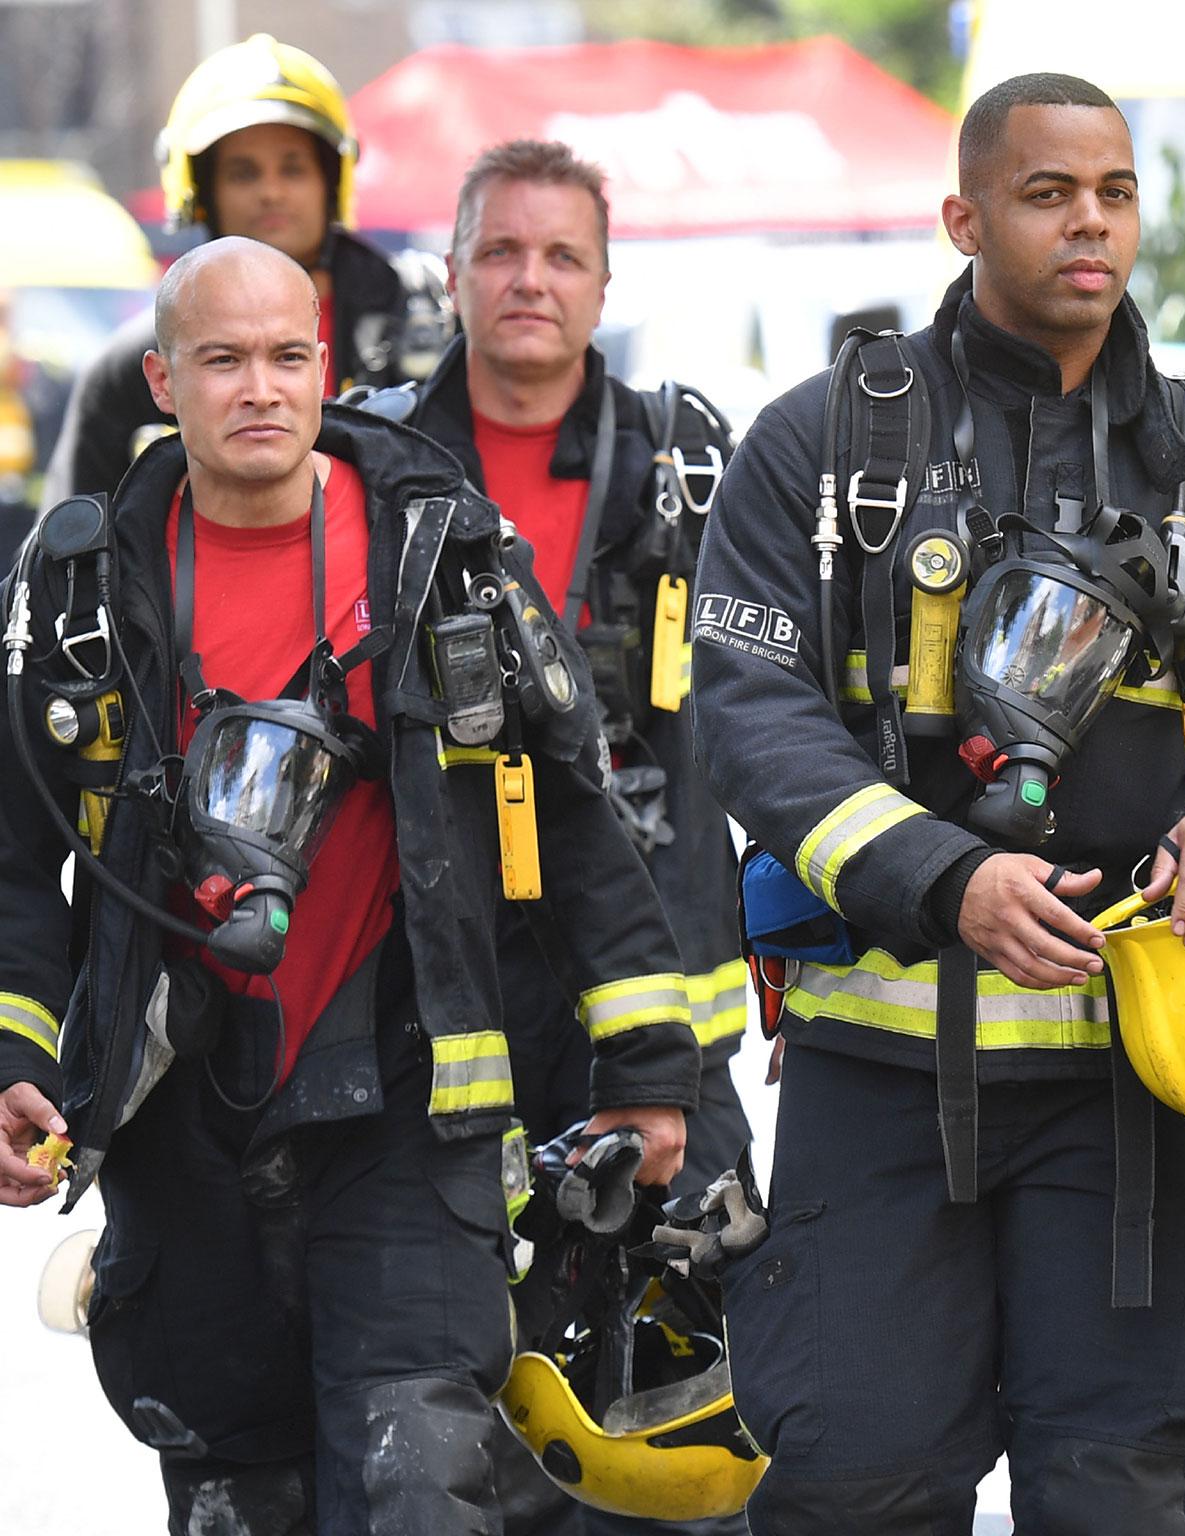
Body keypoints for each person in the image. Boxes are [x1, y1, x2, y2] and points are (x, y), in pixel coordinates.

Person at [690, 72, 1185, 1533]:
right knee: (854, 1493)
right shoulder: (820, 449)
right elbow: (753, 720)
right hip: (873, 1089)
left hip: (1129, 1100)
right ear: (963, 216)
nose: (1090, 224)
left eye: (1115, 194)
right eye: (1049, 192)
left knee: (1115, 1496)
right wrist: (944, 878)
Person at [0, 236, 699, 1534]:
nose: (258, 387)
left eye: (285, 356)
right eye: (221, 360)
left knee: (419, 1473)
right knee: (237, 1499)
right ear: (163, 379)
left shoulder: (442, 559)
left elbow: (579, 816)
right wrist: (14, 1052)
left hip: (409, 1108)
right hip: (181, 1122)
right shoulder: (83, 592)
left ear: (326, 369)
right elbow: (13, 852)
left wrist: (650, 1068)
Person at [360, 138, 751, 1534]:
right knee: (453, 1398)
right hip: (442, 1016)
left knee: (684, 1392)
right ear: (453, 272)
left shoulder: (692, 471)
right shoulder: (371, 468)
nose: (532, 280)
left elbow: (771, 709)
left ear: (604, 281)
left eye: (562, 255)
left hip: (662, 1022)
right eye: (502, 252)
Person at [42, 33, 449, 504]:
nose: (271, 192)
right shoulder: (130, 370)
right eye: (244, 173)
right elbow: (71, 554)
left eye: (293, 168)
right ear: (203, 193)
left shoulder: (423, 329)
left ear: (330, 181)